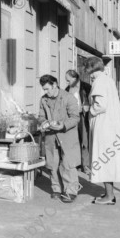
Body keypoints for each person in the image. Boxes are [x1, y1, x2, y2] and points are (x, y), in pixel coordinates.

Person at [85, 56, 120, 205]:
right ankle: (108, 193)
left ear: (92, 69)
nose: (89, 75)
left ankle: (109, 196)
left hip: (103, 127)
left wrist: (89, 110)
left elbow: (101, 105)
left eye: (88, 71)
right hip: (110, 126)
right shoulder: (108, 80)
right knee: (107, 161)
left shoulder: (99, 82)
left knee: (103, 160)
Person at [38, 74, 81, 203]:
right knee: (52, 163)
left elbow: (75, 117)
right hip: (51, 135)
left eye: (47, 89)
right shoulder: (43, 100)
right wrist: (44, 122)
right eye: (44, 89)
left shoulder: (68, 98)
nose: (46, 92)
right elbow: (40, 115)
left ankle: (70, 191)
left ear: (55, 85)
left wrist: (63, 125)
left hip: (67, 135)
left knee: (68, 164)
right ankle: (56, 189)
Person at [64, 70, 92, 173]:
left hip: (84, 116)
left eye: (68, 80)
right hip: (72, 118)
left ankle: (86, 165)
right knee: (75, 141)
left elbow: (93, 100)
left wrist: (89, 107)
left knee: (85, 141)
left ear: (75, 79)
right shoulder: (67, 90)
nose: (67, 82)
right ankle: (77, 163)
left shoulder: (86, 87)